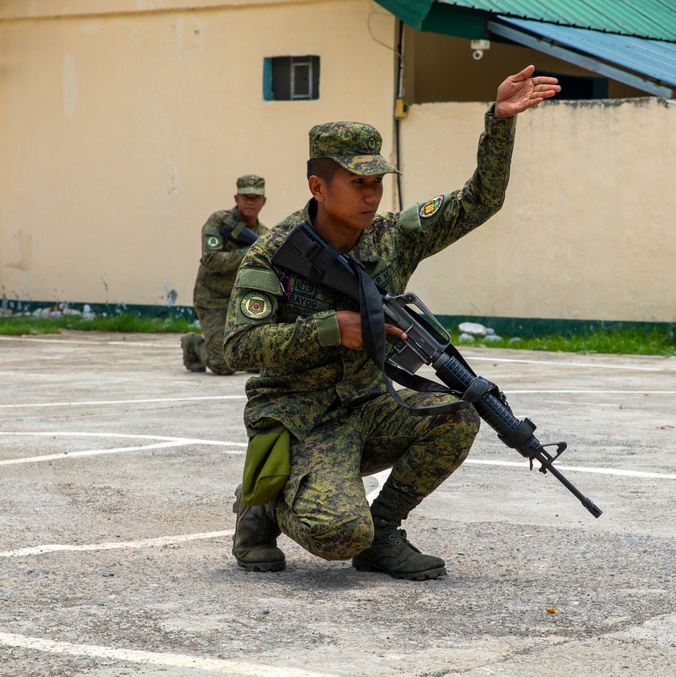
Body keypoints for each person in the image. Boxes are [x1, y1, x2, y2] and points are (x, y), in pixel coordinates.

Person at [223, 66, 560, 579]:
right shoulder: (271, 256)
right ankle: (263, 500)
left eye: (377, 182)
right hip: (301, 416)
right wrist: (333, 328)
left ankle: (383, 532)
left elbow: (479, 201)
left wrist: (499, 122)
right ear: (318, 184)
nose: (372, 195)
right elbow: (240, 347)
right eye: (357, 183)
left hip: (372, 404)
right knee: (338, 534)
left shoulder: (392, 238)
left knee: (459, 413)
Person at [181, 174, 268, 375]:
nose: (250, 201)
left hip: (242, 303)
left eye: (255, 197)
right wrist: (250, 251)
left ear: (264, 201)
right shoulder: (219, 222)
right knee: (222, 364)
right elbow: (211, 260)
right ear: (236, 198)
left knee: (261, 361)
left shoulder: (265, 235)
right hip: (213, 298)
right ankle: (193, 343)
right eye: (245, 196)